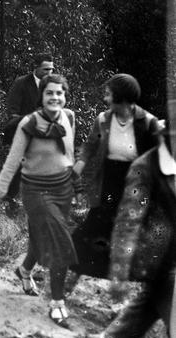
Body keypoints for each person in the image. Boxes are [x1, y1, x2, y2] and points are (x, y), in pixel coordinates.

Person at [0, 74, 78, 327]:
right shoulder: (28, 123)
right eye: (50, 93)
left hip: (63, 190)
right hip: (36, 191)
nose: (55, 97)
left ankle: (25, 271)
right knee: (59, 241)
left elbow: (69, 155)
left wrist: (77, 184)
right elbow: (11, 163)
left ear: (65, 96)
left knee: (39, 239)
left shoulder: (69, 117)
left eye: (59, 93)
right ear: (42, 96)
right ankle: (58, 302)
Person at [96, 117, 175, 338]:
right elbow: (128, 221)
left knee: (153, 301)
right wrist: (119, 269)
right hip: (154, 256)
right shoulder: (145, 167)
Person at [68, 74, 162, 284]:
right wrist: (79, 165)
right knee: (93, 230)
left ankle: (132, 292)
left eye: (109, 93)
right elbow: (91, 145)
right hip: (108, 181)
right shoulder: (103, 119)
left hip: (135, 183)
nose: (105, 98)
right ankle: (70, 278)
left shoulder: (147, 122)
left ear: (122, 96)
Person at [4, 53, 55, 212]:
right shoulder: (22, 83)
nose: (49, 73)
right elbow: (12, 112)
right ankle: (9, 198)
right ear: (36, 68)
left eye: (52, 70)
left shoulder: (53, 86)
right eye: (46, 69)